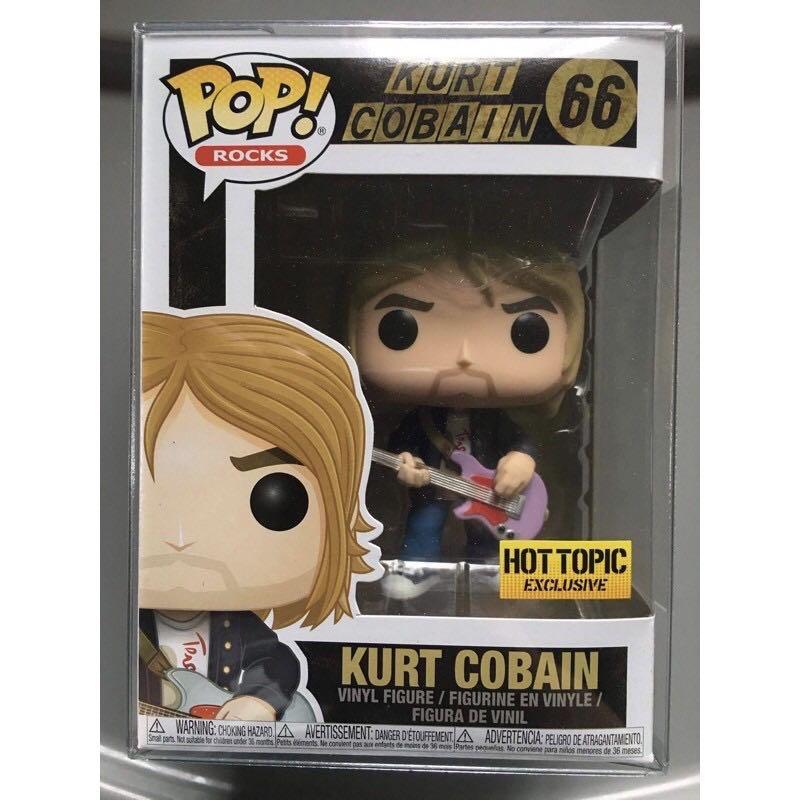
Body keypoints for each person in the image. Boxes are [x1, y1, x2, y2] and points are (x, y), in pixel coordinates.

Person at [138, 311, 378, 720]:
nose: (180, 539)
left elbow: (277, 661)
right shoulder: (115, 626)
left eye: (275, 500)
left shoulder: (236, 626)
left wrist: (259, 699)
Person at [351, 251, 584, 564]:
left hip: (488, 491)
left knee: (485, 534)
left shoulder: (493, 419)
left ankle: (487, 566)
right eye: (400, 329)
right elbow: (402, 442)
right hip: (434, 487)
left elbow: (520, 439)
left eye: (527, 333)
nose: (465, 357)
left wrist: (522, 459)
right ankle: (418, 569)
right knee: (424, 526)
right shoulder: (424, 417)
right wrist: (404, 462)